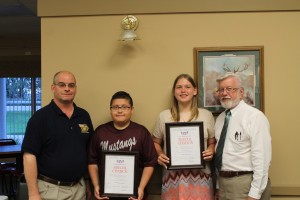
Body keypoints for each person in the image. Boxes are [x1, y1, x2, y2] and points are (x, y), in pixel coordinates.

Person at [22, 71, 94, 200]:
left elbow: (87, 152)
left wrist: (88, 182)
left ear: (75, 89)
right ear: (53, 88)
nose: (67, 88)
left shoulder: (84, 116)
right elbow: (29, 156)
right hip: (51, 190)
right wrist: (33, 194)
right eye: (62, 85)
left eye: (71, 85)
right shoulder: (40, 118)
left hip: (79, 188)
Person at [152, 74, 216, 199]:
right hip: (172, 179)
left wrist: (211, 150)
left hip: (201, 178)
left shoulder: (206, 115)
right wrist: (159, 154)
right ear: (174, 92)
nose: (183, 90)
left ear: (195, 91)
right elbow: (155, 142)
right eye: (179, 87)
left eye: (187, 87)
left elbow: (212, 142)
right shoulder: (164, 116)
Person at [88, 91, 157, 200]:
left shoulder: (141, 132)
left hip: (134, 195)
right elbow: (92, 161)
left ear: (132, 110)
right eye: (115, 107)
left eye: (124, 107)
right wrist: (96, 185)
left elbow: (150, 162)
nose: (119, 110)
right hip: (106, 195)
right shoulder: (100, 132)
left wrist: (141, 188)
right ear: (110, 110)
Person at [214, 72, 272, 200]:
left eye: (229, 89)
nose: (224, 93)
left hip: (246, 183)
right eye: (221, 90)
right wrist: (218, 186)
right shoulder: (220, 119)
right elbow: (221, 155)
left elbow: (262, 158)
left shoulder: (255, 117)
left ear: (241, 92)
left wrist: (255, 193)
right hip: (223, 184)